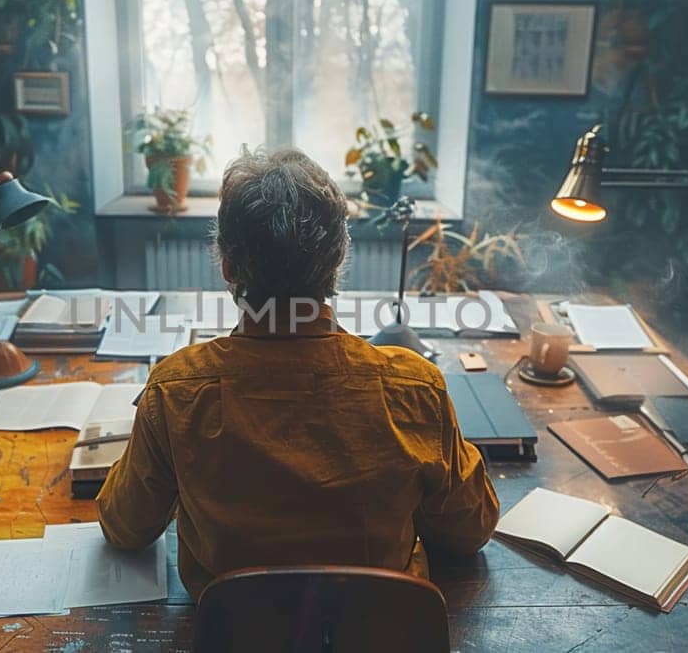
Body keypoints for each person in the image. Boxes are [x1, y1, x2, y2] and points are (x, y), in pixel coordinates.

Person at [96, 148, 499, 599]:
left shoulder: (176, 392)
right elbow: (471, 530)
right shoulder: (414, 387)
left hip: (232, 637)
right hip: (379, 634)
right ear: (338, 261)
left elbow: (124, 528)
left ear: (227, 266)